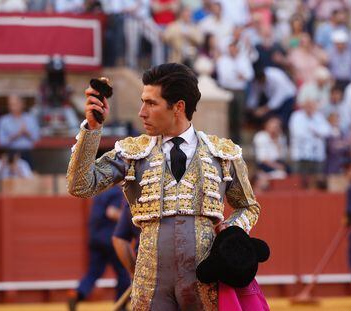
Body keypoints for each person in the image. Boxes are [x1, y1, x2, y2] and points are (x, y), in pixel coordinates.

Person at [67, 63, 261, 310]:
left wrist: (231, 233)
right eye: (142, 101)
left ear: (178, 107)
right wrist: (91, 130)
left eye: (151, 103)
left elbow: (248, 207)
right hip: (151, 283)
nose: (141, 112)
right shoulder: (132, 153)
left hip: (207, 280)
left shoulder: (222, 153)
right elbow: (80, 186)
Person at [67, 186, 130, 311]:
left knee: (93, 272)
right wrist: (127, 218)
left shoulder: (100, 191)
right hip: (110, 239)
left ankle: (77, 293)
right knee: (123, 272)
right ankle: (121, 304)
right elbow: (111, 212)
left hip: (95, 238)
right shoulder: (116, 192)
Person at [0, 95, 40, 166]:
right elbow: (1, 142)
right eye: (10, 104)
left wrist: (26, 133)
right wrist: (16, 135)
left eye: (15, 104)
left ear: (22, 104)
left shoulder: (30, 119)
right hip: (10, 154)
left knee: (28, 176)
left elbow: (36, 138)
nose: (13, 107)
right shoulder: (3, 120)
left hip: (27, 154)